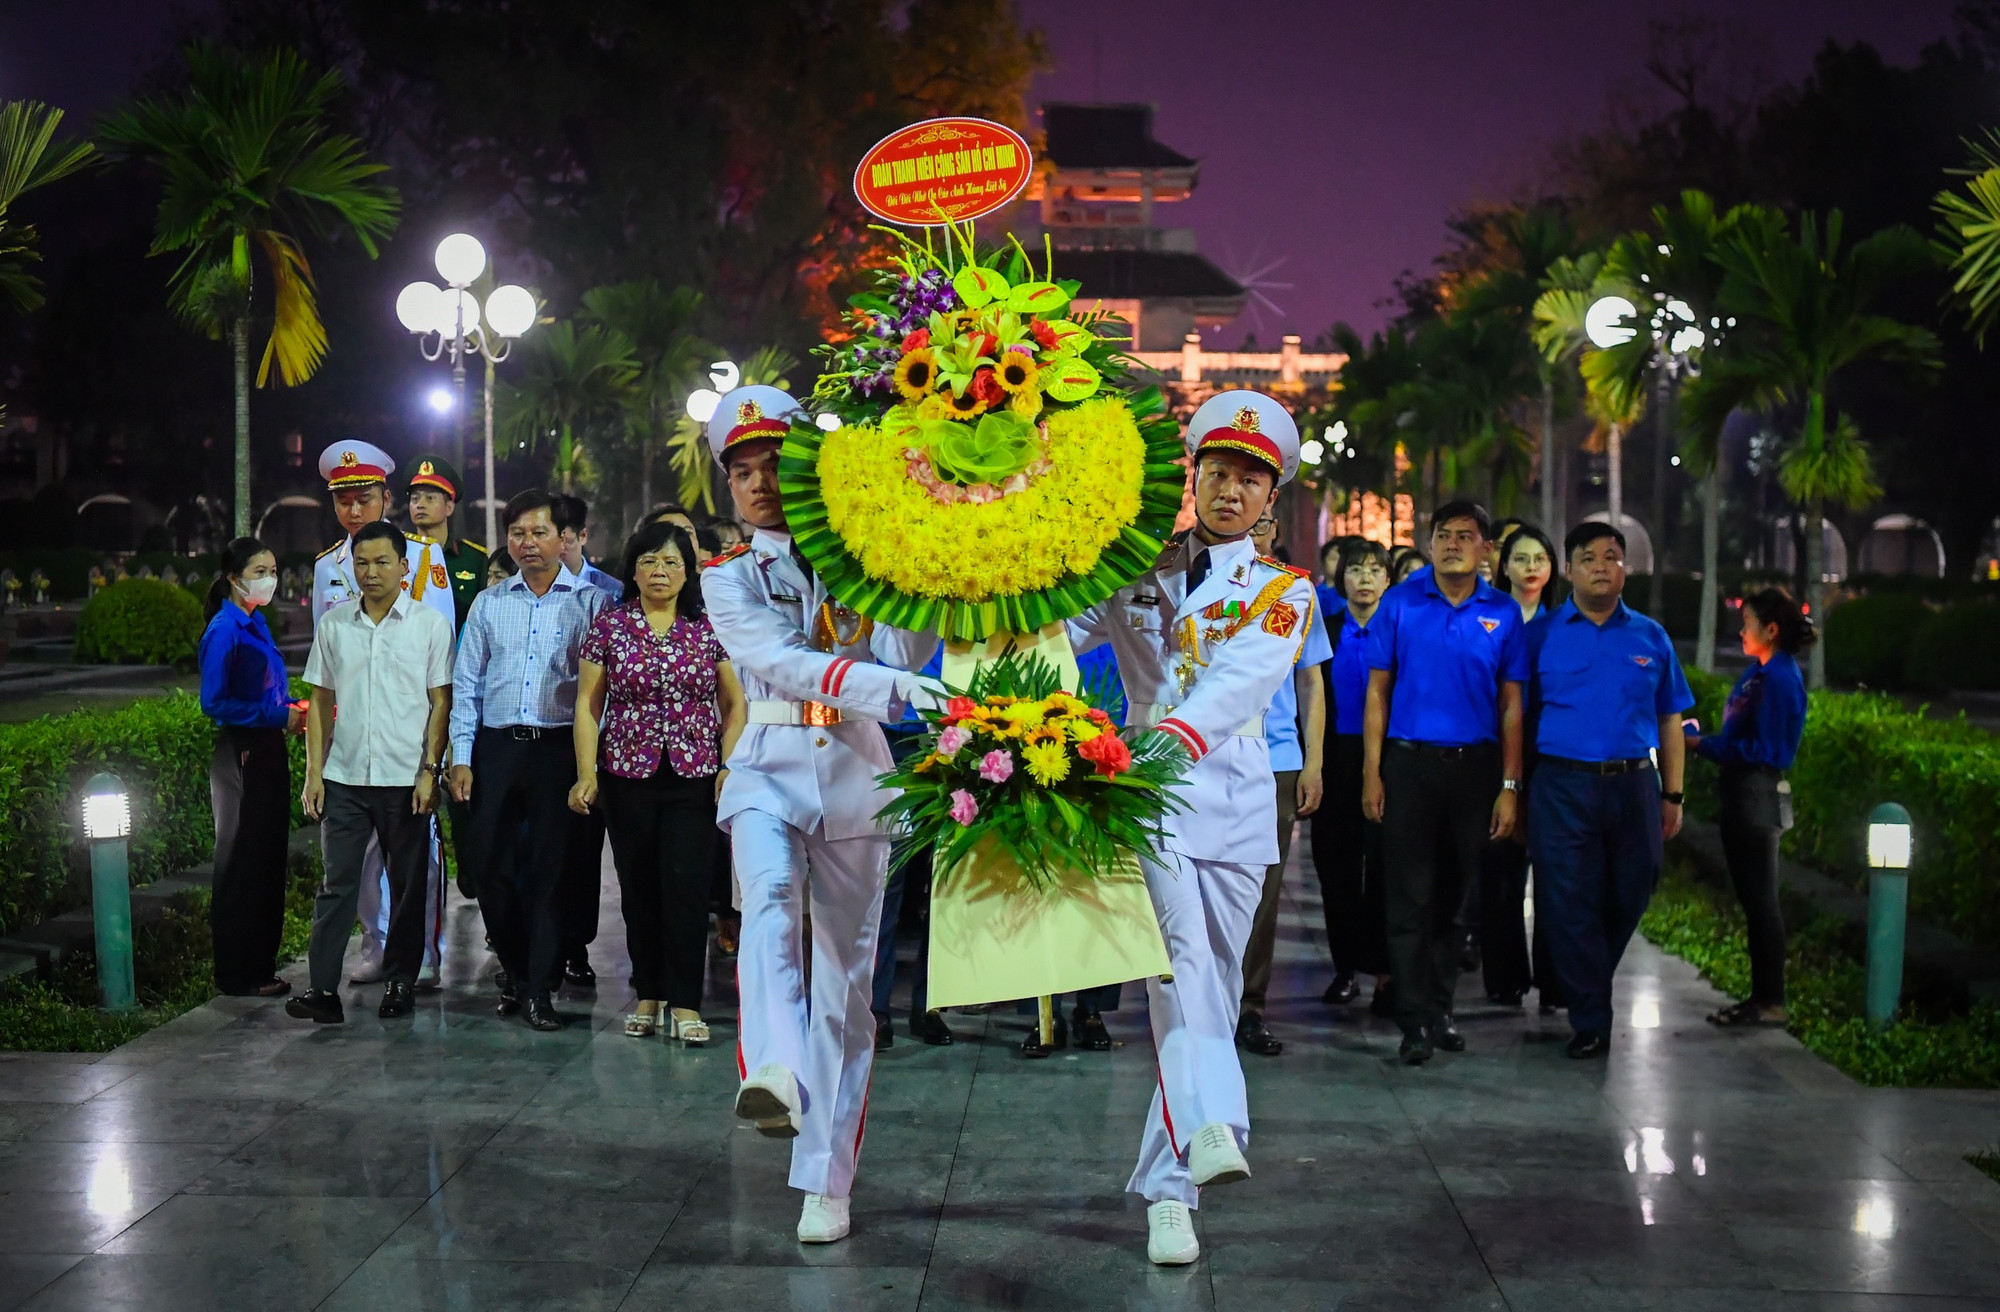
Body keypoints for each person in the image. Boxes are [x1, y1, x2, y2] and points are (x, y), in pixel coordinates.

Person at [1070, 390, 1316, 1267]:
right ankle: (1211, 1127)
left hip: (1240, 801)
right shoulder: (1135, 571)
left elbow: (1240, 686)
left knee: (1205, 979)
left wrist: (1167, 742)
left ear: (1269, 499)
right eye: (1216, 473)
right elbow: (1056, 632)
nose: (1229, 491)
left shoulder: (1287, 591)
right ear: (1193, 478)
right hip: (1149, 794)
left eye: (1249, 479)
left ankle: (1170, 1182)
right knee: (1178, 967)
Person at [699, 385, 940, 1246]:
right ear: (727, 483)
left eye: (774, 466)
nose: (760, 483)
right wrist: (902, 690)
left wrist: (908, 566)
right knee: (764, 905)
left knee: (847, 984)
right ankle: (773, 1067)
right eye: (743, 470)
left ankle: (827, 1181)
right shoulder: (725, 576)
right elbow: (781, 662)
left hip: (854, 772)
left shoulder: (858, 554)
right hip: (765, 765)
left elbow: (907, 646)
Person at [1363, 501, 1525, 1066]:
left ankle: (1441, 1010)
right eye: (1443, 535)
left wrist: (1510, 784)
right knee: (1410, 897)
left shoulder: (1503, 614)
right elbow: (1377, 693)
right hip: (1410, 766)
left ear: (1485, 549)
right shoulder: (1401, 604)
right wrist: (1372, 772)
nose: (1453, 543)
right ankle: (1412, 1021)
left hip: (1476, 770)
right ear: (1430, 543)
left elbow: (1511, 706)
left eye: (1466, 536)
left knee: (1459, 900)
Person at [570, 520, 745, 1043]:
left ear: (688, 570)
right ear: (634, 569)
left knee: (687, 887)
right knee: (639, 886)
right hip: (626, 775)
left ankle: (686, 1001)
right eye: (649, 561)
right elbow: (587, 703)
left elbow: (734, 703)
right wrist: (585, 773)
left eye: (671, 562)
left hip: (694, 776)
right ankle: (648, 990)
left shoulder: (708, 627)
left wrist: (728, 764)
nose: (660, 571)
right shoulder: (610, 626)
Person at [1524, 521, 1692, 1059]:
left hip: (1633, 785)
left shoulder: (1650, 636)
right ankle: (1592, 1018)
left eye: (1612, 557)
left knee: (1633, 888)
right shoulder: (1541, 635)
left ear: (1626, 568)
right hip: (1560, 783)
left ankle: (1584, 980)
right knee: (1568, 900)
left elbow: (1670, 719)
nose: (1602, 566)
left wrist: (1674, 794)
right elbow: (1516, 714)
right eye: (1589, 557)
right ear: (1569, 570)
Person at [448, 489, 611, 1031]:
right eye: (517, 534)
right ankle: (516, 973)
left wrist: (589, 767)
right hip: (496, 750)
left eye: (539, 533)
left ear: (562, 539)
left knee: (549, 872)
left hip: (557, 751)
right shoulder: (491, 604)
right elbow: (467, 686)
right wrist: (462, 757)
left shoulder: (590, 604)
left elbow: (599, 693)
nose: (527, 544)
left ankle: (540, 988)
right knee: (490, 867)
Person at [287, 521, 455, 1023]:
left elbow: (440, 702)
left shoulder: (428, 624)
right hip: (345, 779)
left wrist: (431, 769)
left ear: (405, 567)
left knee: (406, 887)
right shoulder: (335, 625)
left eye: (383, 562)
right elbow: (320, 699)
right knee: (336, 885)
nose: (371, 572)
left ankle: (401, 981)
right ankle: (322, 990)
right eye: (362, 563)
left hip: (406, 780)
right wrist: (314, 773)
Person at [311, 441, 455, 989]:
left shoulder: (421, 557)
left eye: (364, 499)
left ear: (385, 499)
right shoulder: (329, 566)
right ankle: (374, 945)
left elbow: (443, 656)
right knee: (360, 865)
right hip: (352, 742)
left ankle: (421, 953)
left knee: (418, 863)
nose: (353, 511)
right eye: (343, 501)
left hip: (407, 735)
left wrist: (437, 754)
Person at [1691, 586, 1811, 1028]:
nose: (1741, 631)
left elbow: (1768, 749)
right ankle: (1761, 998)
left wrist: (1702, 744)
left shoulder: (1779, 677)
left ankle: (1770, 1000)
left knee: (1761, 900)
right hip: (1742, 794)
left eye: (1747, 624)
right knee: (1754, 900)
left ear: (1771, 629)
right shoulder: (1761, 671)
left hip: (1756, 796)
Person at [1234, 510, 1329, 1057]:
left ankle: (1250, 1006)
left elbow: (1311, 680)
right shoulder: (1196, 586)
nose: (1253, 531)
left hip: (1274, 761)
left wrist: (1312, 761)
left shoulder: (1295, 593)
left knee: (1263, 894)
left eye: (1265, 523)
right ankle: (1190, 1004)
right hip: (1203, 757)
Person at [198, 536, 302, 999]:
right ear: (234, 578)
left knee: (265, 858)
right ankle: (238, 972)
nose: (270, 578)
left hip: (267, 748)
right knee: (241, 861)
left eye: (273, 568)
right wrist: (280, 715)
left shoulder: (254, 623)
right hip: (242, 752)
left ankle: (260, 965)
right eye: (260, 570)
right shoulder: (224, 629)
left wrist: (291, 708)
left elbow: (264, 689)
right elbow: (215, 702)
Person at [1480, 525, 1562, 1008]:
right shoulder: (1489, 618)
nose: (1531, 567)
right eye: (1522, 558)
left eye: (1540, 559)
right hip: (1495, 753)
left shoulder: (1563, 625)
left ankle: (1554, 980)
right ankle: (1505, 976)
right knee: (1500, 872)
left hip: (1550, 757)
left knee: (1554, 872)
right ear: (1504, 566)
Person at [1309, 538, 1392, 1012]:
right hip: (1335, 756)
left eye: (1374, 569)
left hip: (1387, 762)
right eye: (1355, 569)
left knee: (1383, 869)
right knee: (1336, 868)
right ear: (1342, 579)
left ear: (1387, 579)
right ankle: (1345, 968)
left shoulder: (1398, 630)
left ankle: (1384, 971)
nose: (1364, 578)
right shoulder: (1326, 630)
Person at [552, 493, 619, 988]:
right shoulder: (518, 588)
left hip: (593, 732)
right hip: (540, 734)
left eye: (565, 535)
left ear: (578, 538)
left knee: (581, 847)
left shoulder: (609, 592)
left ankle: (576, 944)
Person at [405, 455, 487, 631]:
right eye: (415, 499)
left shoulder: (475, 559)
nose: (420, 504)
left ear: (449, 507)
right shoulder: (399, 555)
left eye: (430, 498)